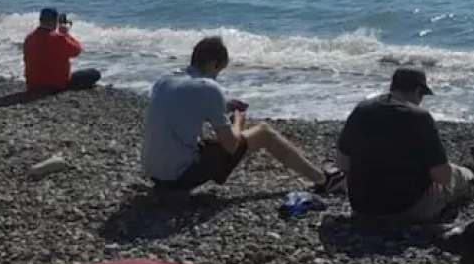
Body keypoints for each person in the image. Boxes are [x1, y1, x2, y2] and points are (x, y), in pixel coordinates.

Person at [141, 35, 344, 194]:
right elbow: (231, 145)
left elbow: (184, 109)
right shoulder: (209, 87)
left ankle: (321, 178)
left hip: (153, 172)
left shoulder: (164, 80)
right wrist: (238, 120)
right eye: (219, 70)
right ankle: (323, 180)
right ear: (213, 64)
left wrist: (223, 106)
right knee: (264, 133)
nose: (217, 76)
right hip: (178, 177)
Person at [336, 67, 474, 224]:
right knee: (457, 174)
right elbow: (443, 176)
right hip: (407, 209)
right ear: (417, 91)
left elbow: (342, 163)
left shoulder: (361, 110)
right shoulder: (419, 117)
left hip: (362, 207)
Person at [23, 8, 101, 93]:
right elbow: (77, 50)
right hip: (57, 84)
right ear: (55, 21)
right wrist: (65, 34)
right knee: (94, 73)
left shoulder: (29, 37)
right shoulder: (58, 38)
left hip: (33, 84)